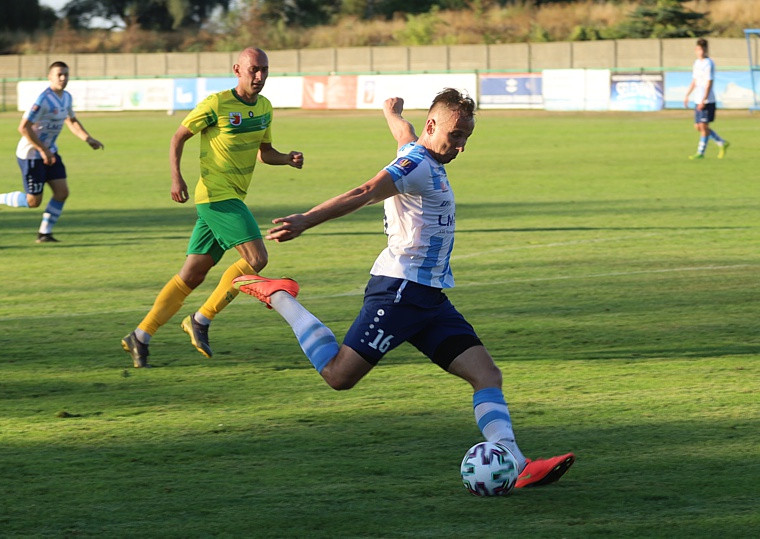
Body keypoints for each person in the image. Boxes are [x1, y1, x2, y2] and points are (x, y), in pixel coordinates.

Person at [233, 89, 574, 489]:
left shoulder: (417, 148)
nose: (461, 146)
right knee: (339, 376)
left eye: (467, 137)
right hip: (399, 291)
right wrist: (307, 220)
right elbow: (363, 192)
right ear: (434, 126)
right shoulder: (416, 164)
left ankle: (516, 464)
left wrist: (390, 112)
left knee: (487, 375)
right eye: (457, 135)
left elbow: (404, 133)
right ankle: (279, 295)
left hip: (429, 298)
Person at [120, 47, 303, 368]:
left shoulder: (264, 107)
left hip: (231, 197)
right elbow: (178, 137)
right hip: (217, 198)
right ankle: (202, 320)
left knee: (191, 275)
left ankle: (140, 335)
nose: (259, 76)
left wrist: (287, 158)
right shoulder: (217, 104)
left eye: (264, 70)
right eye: (253, 69)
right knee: (257, 258)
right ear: (237, 69)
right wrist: (176, 179)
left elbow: (265, 152)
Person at [0, 61, 104, 242]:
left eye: (66, 74)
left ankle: (44, 233)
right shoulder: (42, 100)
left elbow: (71, 120)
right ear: (50, 77)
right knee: (33, 202)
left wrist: (88, 138)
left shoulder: (66, 97)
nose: (63, 78)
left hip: (50, 152)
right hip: (31, 155)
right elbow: (23, 128)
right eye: (59, 74)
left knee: (62, 193)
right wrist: (43, 150)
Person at [683, 38, 729, 160]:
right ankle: (721, 142)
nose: (700, 52)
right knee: (698, 126)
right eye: (699, 49)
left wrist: (704, 99)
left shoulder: (709, 63)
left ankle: (700, 153)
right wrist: (687, 94)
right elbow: (695, 81)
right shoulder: (696, 63)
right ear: (696, 50)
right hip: (697, 99)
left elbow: (709, 83)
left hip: (707, 100)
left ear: (706, 50)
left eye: (703, 49)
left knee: (703, 126)